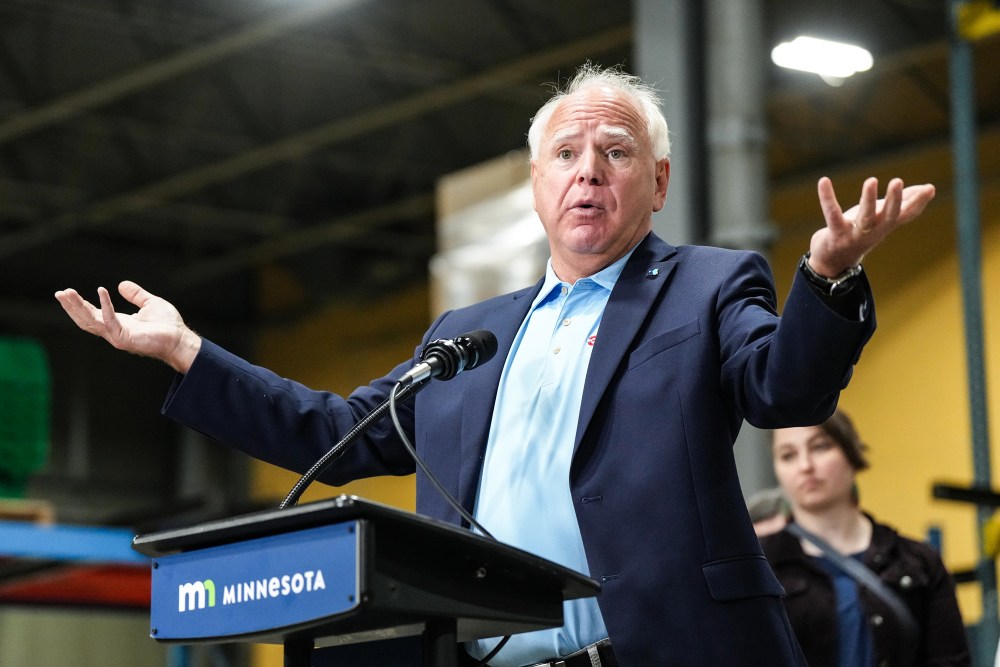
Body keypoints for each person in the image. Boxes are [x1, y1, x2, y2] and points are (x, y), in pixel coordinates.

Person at [54, 63, 937, 666]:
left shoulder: (707, 285)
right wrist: (185, 350)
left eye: (616, 152)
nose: (589, 172)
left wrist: (828, 276)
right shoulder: (466, 337)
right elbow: (333, 430)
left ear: (659, 182)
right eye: (567, 155)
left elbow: (786, 387)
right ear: (537, 183)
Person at [760, 409, 970, 666]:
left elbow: (951, 660)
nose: (805, 466)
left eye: (820, 447)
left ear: (850, 453)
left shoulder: (918, 561)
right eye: (788, 455)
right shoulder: (761, 565)